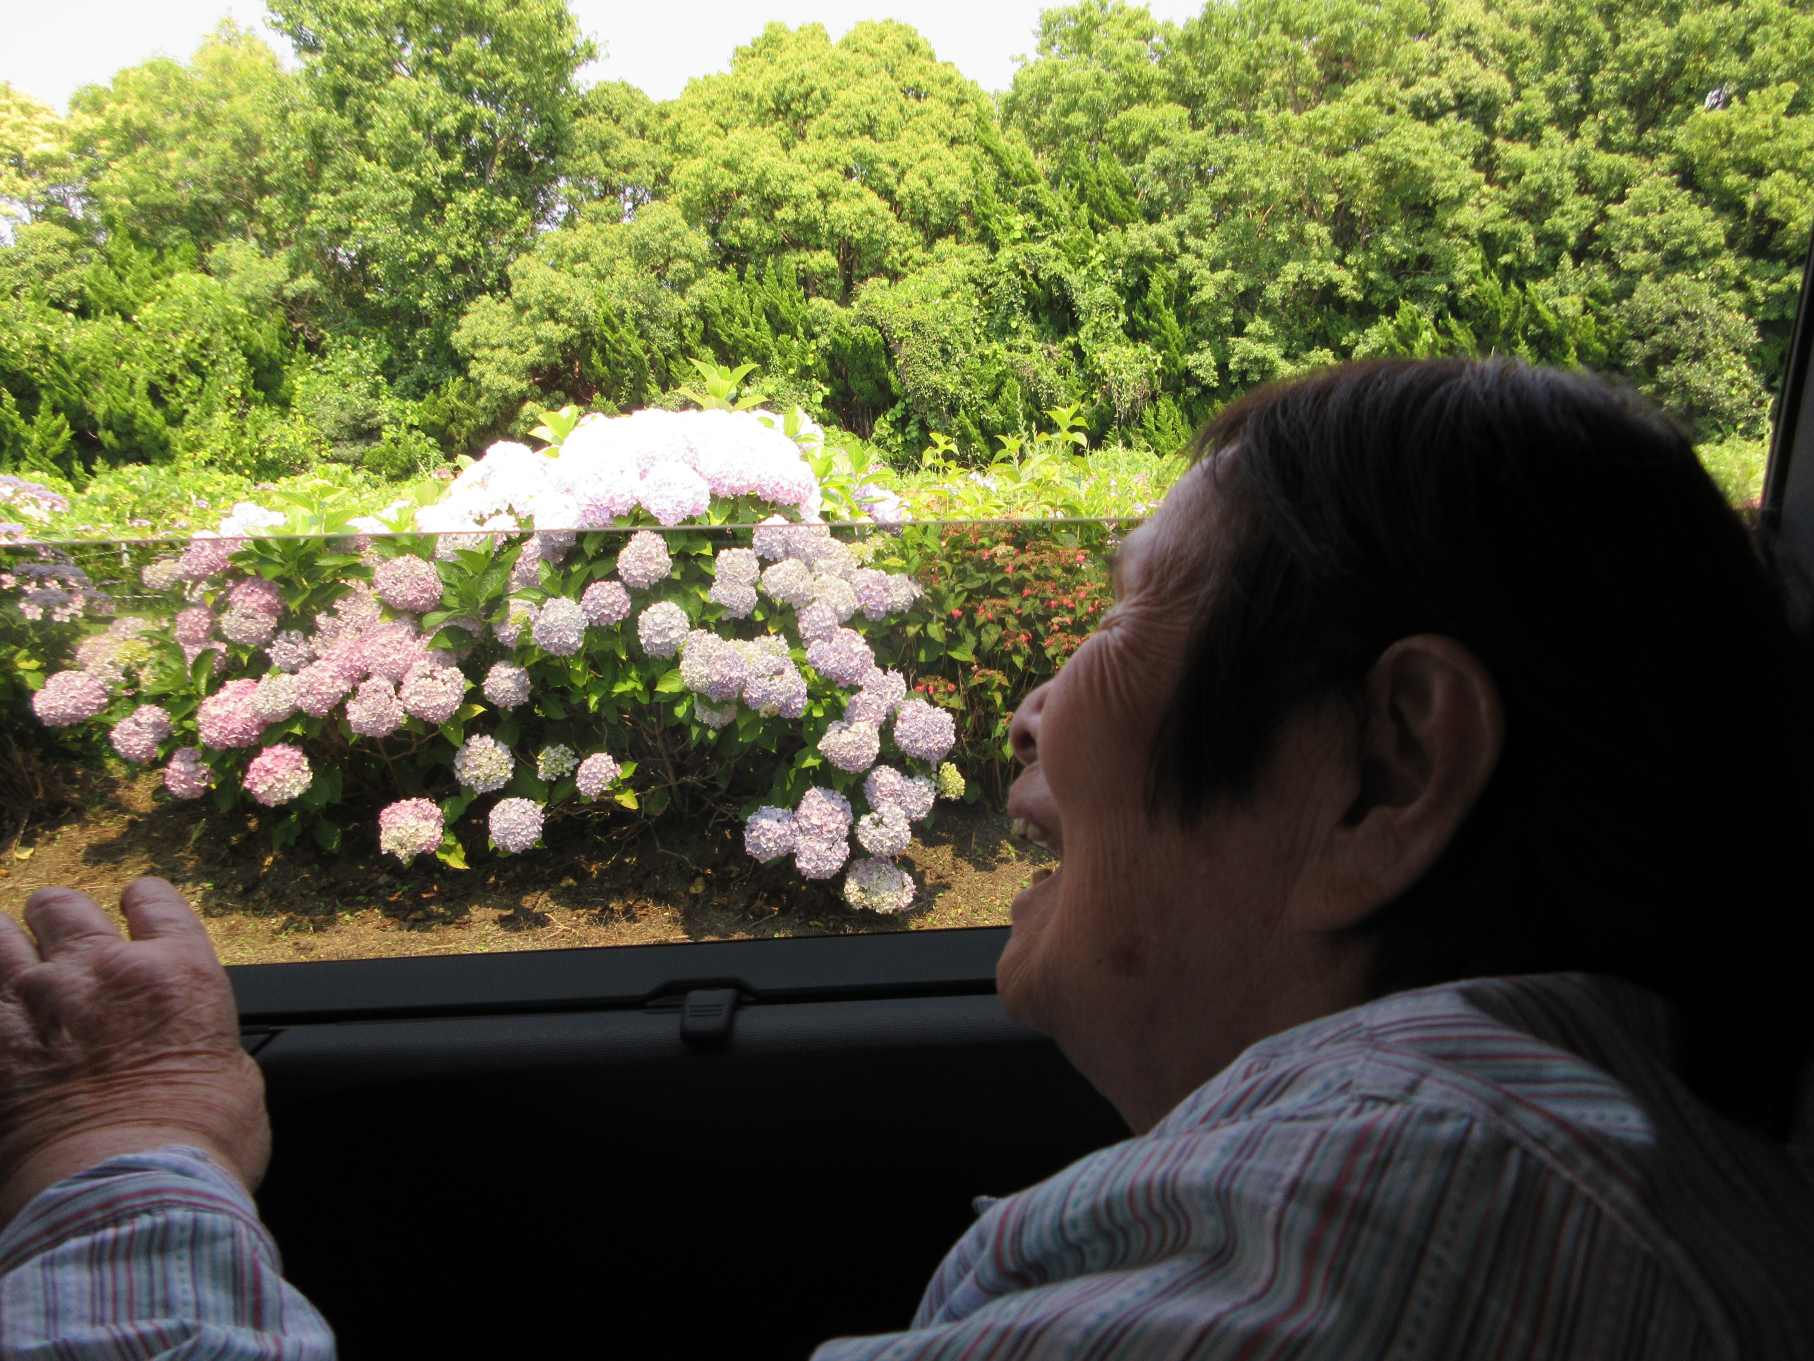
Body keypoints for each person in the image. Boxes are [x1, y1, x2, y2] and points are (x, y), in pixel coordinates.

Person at [3, 358, 1813, 1358]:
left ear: (1383, 769)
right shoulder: (1494, 1162)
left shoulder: (1413, 1209)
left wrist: (125, 1155)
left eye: (1119, 618)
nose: (1026, 714)